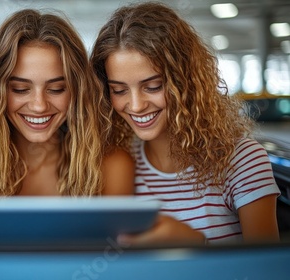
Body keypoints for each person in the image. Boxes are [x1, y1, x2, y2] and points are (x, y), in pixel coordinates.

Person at [90, 2, 280, 244]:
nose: (136, 105)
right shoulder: (119, 164)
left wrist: (195, 245)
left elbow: (265, 270)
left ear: (185, 81)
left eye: (153, 86)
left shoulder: (241, 160)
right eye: (119, 90)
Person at [0, 9, 134, 196]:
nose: (39, 106)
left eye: (56, 89)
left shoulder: (112, 167)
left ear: (77, 91)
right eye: (20, 89)